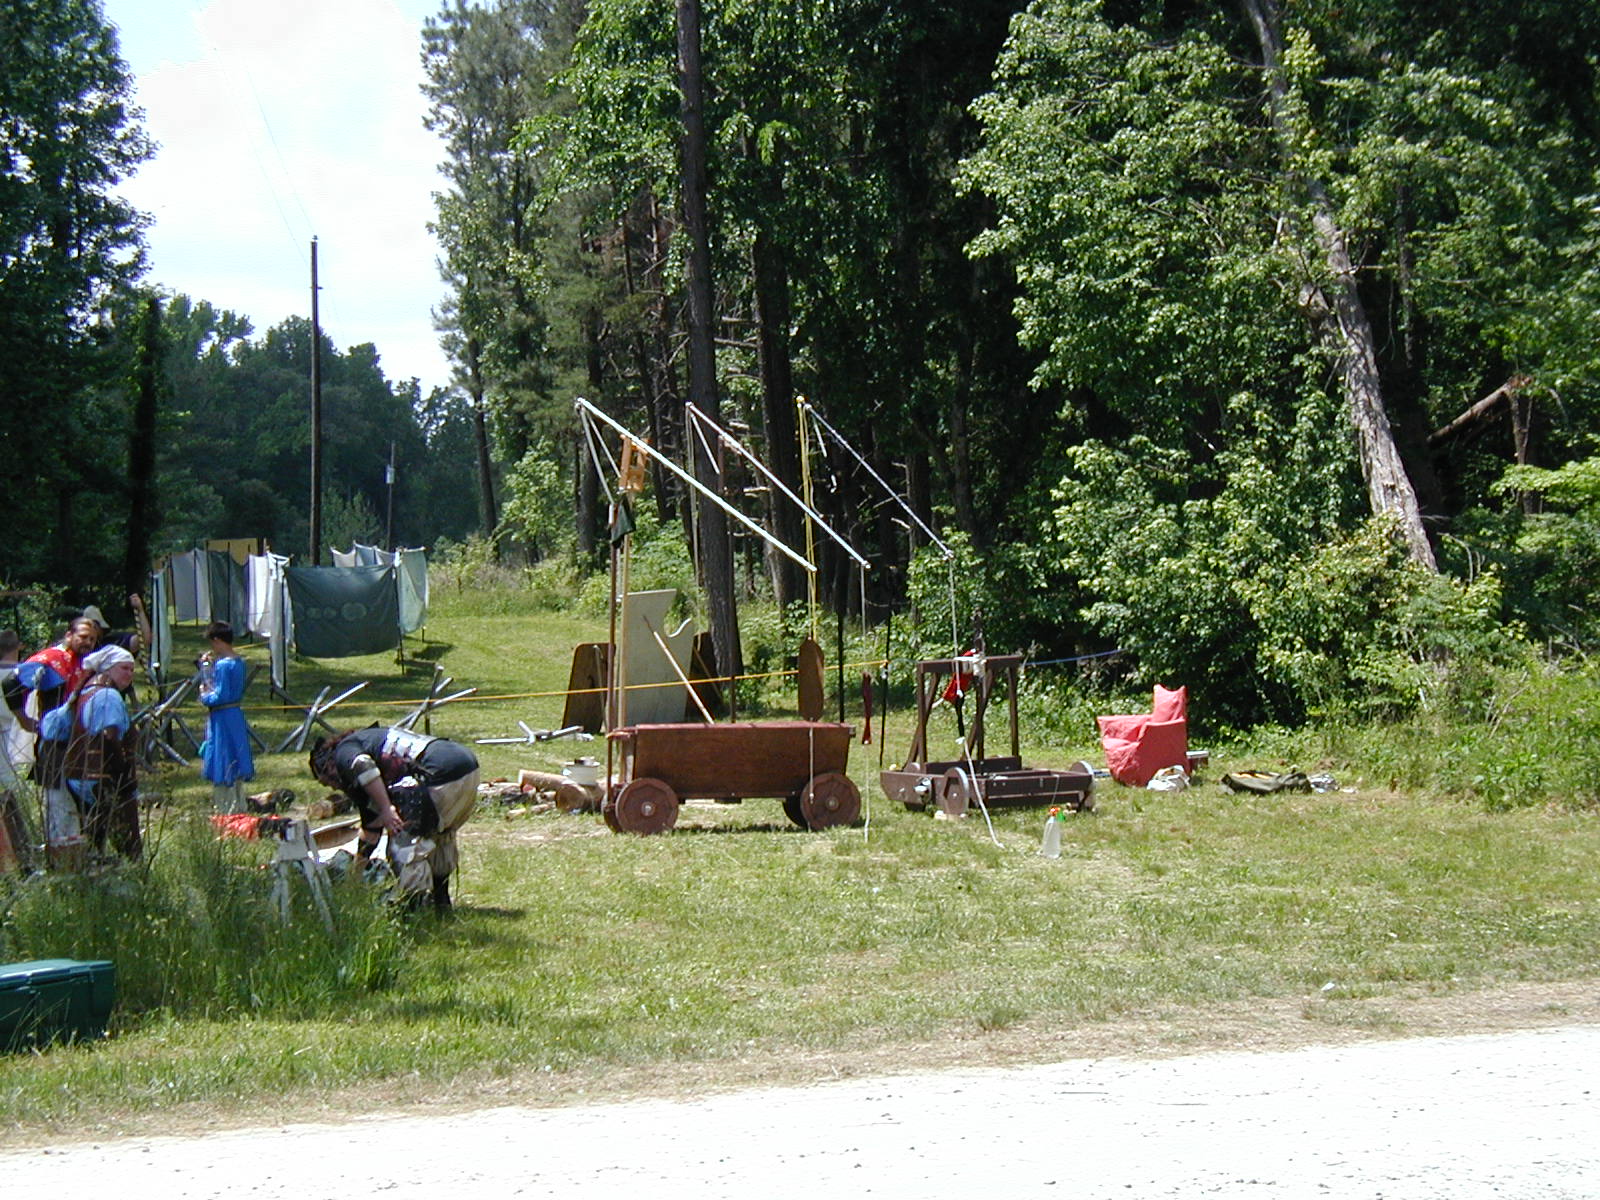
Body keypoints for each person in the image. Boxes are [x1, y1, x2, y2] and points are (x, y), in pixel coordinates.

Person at [309, 726, 480, 910]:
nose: (333, 788)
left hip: (438, 771)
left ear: (328, 767)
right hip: (467, 766)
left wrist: (386, 808)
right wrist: (356, 874)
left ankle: (414, 909)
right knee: (440, 837)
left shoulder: (344, 751)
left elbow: (363, 765)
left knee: (404, 846)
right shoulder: (368, 743)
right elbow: (371, 829)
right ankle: (441, 904)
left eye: (327, 781)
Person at [60, 645, 142, 861]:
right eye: (124, 668)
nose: (129, 674)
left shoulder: (87, 692)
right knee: (127, 842)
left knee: (95, 839)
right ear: (108, 669)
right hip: (101, 777)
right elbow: (109, 737)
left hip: (84, 776)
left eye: (132, 669)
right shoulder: (107, 696)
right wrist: (122, 775)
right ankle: (135, 875)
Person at [197, 620, 255, 813]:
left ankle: (225, 807)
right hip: (235, 714)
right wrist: (207, 667)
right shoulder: (238, 662)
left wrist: (204, 696)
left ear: (217, 640)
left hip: (222, 716)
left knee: (223, 755)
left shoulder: (223, 665)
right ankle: (239, 803)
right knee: (235, 754)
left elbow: (220, 695)